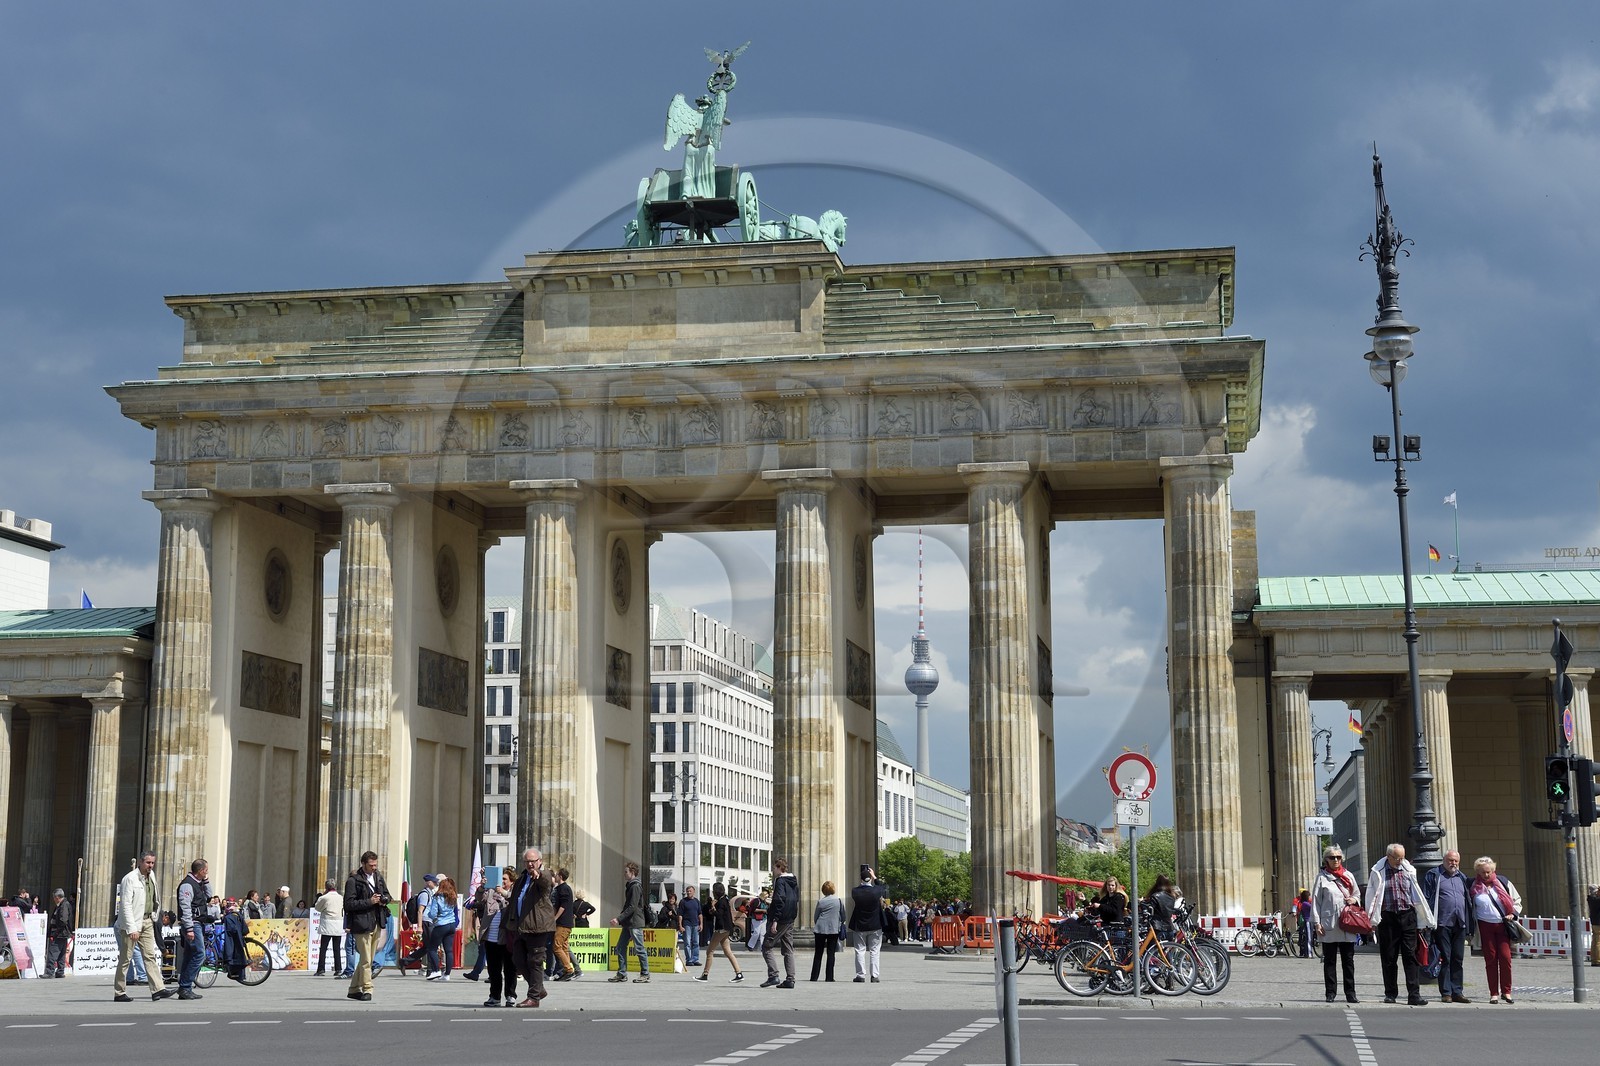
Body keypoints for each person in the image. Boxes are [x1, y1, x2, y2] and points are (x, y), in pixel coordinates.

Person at [1365, 843, 1435, 1006]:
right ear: (1388, 856)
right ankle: (1390, 993)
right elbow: (1371, 895)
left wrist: (1423, 919)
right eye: (1397, 858)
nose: (1400, 861)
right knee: (1389, 957)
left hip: (1407, 916)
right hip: (1388, 918)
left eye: (1402, 858)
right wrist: (1371, 919)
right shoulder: (1378, 871)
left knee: (1410, 956)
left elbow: (1416, 894)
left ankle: (1414, 994)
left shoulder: (1408, 869)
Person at [113, 850, 173, 1003]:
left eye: (152, 863)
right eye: (148, 862)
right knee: (125, 959)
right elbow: (125, 905)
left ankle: (158, 989)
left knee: (149, 955)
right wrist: (132, 928)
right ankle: (119, 992)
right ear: (140, 862)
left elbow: (154, 898)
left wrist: (155, 915)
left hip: (147, 921)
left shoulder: (151, 876)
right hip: (132, 923)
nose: (150, 865)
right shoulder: (130, 879)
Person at [1420, 850, 1475, 1003]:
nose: (1453, 863)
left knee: (1458, 958)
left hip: (1460, 923)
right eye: (1451, 860)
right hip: (1442, 923)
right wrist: (1426, 921)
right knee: (1445, 958)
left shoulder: (1461, 877)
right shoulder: (1434, 875)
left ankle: (1457, 991)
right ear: (1444, 860)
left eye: (1456, 861)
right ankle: (1446, 992)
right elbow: (1426, 898)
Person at [506, 847, 555, 1007]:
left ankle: (533, 997)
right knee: (518, 959)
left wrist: (538, 874)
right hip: (521, 926)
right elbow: (514, 900)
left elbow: (545, 881)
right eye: (527, 861)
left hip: (537, 926)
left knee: (535, 961)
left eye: (533, 861)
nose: (530, 864)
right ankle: (538, 989)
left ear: (539, 861)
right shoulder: (522, 878)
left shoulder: (543, 874)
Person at [1469, 856, 1522, 1004]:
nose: (1486, 875)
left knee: (1505, 958)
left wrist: (1513, 914)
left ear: (1493, 870)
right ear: (1478, 872)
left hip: (1503, 925)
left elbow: (1517, 900)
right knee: (1490, 959)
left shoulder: (1503, 883)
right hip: (1484, 926)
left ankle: (1507, 991)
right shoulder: (1473, 886)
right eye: (1483, 872)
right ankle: (1493, 993)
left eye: (1489, 872)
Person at [1312, 846, 1361, 1003]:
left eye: (1338, 857)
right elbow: (1316, 902)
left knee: (1348, 961)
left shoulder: (1348, 875)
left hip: (1347, 923)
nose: (1336, 860)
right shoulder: (1322, 878)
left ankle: (1350, 993)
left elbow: (1357, 894)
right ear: (1326, 860)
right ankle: (1330, 993)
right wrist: (1317, 923)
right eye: (1332, 857)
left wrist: (1354, 899)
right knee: (1329, 961)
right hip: (1329, 924)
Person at [343, 849, 392, 1002]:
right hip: (361, 923)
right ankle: (367, 988)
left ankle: (353, 989)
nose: (374, 868)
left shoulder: (378, 877)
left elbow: (388, 895)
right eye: (371, 865)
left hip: (377, 921)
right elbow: (348, 904)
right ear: (363, 864)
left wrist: (384, 899)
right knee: (365, 959)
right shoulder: (353, 881)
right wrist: (369, 902)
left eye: (375, 865)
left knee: (368, 959)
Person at [174, 858, 213, 1000]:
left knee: (190, 955)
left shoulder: (199, 883)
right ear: (201, 870)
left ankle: (184, 988)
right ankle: (185, 986)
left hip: (198, 924)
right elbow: (185, 907)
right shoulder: (187, 885)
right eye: (206, 870)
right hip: (192, 924)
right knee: (199, 954)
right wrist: (189, 928)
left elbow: (209, 896)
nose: (207, 873)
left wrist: (206, 881)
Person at [480, 866, 518, 1007]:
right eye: (500, 878)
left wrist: (504, 894)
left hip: (507, 937)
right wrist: (482, 887)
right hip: (491, 937)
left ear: (511, 881)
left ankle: (510, 995)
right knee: (493, 970)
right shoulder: (491, 891)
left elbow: (515, 903)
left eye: (505, 879)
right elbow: (480, 899)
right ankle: (494, 997)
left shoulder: (514, 893)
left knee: (510, 969)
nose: (502, 881)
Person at [694, 881, 745, 982]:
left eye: (713, 890)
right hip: (727, 928)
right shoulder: (725, 899)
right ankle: (739, 973)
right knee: (728, 952)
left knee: (710, 951)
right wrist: (712, 909)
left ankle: (705, 974)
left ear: (716, 891)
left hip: (721, 929)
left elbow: (719, 915)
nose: (713, 892)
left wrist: (713, 906)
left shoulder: (721, 902)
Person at [761, 857, 799, 988]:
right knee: (788, 949)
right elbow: (795, 899)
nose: (773, 870)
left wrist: (775, 920)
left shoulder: (780, 881)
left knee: (767, 946)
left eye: (774, 867)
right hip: (790, 918)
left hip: (780, 918)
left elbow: (780, 900)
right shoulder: (793, 881)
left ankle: (773, 975)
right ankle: (790, 979)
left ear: (779, 867)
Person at [609, 860, 649, 982]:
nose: (624, 874)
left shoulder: (635, 886)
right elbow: (628, 906)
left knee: (639, 948)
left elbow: (632, 906)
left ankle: (645, 974)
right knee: (620, 947)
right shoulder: (631, 885)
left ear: (632, 872)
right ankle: (622, 973)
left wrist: (618, 919)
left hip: (635, 922)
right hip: (628, 922)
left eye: (626, 872)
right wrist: (621, 918)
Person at [849, 865, 887, 983]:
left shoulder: (855, 891)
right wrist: (875, 877)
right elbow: (882, 887)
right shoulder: (876, 891)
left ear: (861, 879)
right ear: (870, 879)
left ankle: (860, 975)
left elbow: (860, 888)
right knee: (875, 951)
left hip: (860, 925)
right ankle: (874, 975)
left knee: (859, 950)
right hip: (875, 925)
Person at [422, 875, 460, 980]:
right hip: (451, 924)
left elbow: (433, 913)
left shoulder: (437, 897)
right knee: (449, 950)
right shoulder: (453, 897)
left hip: (441, 924)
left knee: (432, 948)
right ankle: (447, 974)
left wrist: (430, 916)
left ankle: (436, 970)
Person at [403, 873, 439, 974]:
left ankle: (405, 961)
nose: (436, 884)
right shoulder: (424, 894)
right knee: (431, 946)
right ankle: (431, 970)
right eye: (434, 882)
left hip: (429, 922)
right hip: (425, 922)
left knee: (427, 947)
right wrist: (419, 927)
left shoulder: (429, 893)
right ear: (429, 883)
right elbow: (420, 911)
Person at [811, 880, 845, 982]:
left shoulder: (821, 901)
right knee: (831, 953)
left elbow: (816, 916)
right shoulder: (838, 901)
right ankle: (829, 977)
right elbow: (843, 915)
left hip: (820, 929)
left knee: (818, 953)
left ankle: (814, 976)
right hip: (833, 929)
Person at [550, 866, 580, 980]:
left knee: (557, 946)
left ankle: (568, 969)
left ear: (560, 876)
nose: (555, 876)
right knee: (564, 947)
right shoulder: (560, 888)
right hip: (564, 923)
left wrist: (555, 918)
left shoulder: (564, 889)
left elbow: (563, 906)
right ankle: (566, 970)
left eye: (557, 875)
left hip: (563, 923)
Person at [312, 878, 344, 976]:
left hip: (327, 924)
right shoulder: (340, 897)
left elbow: (317, 908)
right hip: (338, 924)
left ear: (326, 887)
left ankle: (321, 969)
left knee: (323, 948)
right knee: (337, 948)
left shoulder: (324, 897)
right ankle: (338, 969)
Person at [42, 888, 72, 978]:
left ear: (57, 897)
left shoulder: (63, 906)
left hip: (59, 933)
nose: (54, 900)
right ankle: (60, 971)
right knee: (61, 953)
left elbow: (63, 921)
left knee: (53, 952)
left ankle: (49, 972)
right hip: (62, 933)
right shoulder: (62, 905)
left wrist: (55, 933)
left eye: (54, 898)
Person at [679, 885, 703, 967]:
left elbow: (700, 914)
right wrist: (680, 925)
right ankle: (689, 960)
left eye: (690, 891)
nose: (688, 892)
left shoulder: (697, 901)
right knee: (687, 943)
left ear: (694, 892)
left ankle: (695, 959)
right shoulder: (683, 901)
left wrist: (701, 924)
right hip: (687, 924)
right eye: (687, 891)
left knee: (696, 942)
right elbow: (680, 915)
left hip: (696, 924)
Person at [1294, 889, 1314, 958]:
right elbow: (1312, 908)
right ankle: (1308, 953)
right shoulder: (1305, 903)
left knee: (1309, 937)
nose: (1309, 897)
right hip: (1307, 921)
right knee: (1308, 938)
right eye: (1309, 896)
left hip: (1310, 921)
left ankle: (1308, 952)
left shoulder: (1306, 903)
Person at [1588, 885, 1600, 967]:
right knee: (1598, 942)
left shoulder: (1591, 899)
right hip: (1599, 923)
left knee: (1594, 941)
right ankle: (1598, 960)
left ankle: (1594, 959)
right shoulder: (1597, 900)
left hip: (1594, 922)